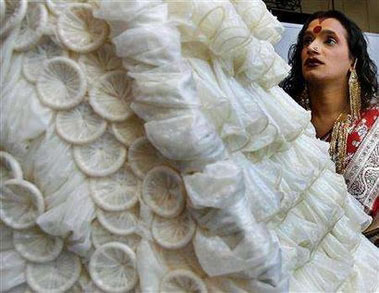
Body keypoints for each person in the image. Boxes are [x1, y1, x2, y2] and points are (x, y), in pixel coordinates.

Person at [280, 10, 378, 244]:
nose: (313, 48)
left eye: (329, 40)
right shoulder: (284, 125)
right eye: (307, 41)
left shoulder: (375, 123)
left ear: (352, 61)